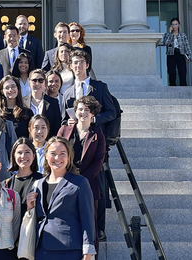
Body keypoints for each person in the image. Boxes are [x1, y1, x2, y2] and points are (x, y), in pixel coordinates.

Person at [62, 50, 115, 242]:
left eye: (81, 62)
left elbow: (112, 112)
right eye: (74, 63)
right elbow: (63, 119)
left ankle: (99, 228)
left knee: (97, 186)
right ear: (70, 66)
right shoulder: (66, 92)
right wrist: (67, 124)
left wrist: (94, 120)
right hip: (74, 144)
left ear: (87, 64)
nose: (78, 66)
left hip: (95, 141)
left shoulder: (99, 87)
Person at [26, 136, 96, 260]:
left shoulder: (79, 183)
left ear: (69, 157)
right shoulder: (38, 184)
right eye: (53, 153)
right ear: (46, 155)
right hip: (41, 249)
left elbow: (88, 218)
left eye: (62, 154)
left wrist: (88, 252)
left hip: (68, 250)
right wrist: (30, 208)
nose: (57, 158)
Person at [57, 96, 106, 257]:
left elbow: (99, 161)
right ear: (75, 112)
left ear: (93, 114)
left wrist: (82, 180)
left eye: (87, 110)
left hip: (88, 185)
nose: (83, 112)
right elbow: (56, 154)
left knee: (89, 224)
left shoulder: (97, 134)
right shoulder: (64, 130)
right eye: (80, 109)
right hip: (64, 182)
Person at [5, 137, 43, 219]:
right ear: (14, 156)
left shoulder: (42, 180)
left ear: (33, 156)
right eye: (19, 153)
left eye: (27, 152)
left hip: (33, 228)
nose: (23, 156)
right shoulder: (7, 183)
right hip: (12, 230)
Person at [23, 69, 61, 138]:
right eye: (34, 80)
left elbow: (56, 127)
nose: (37, 83)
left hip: (48, 144)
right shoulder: (22, 102)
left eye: (40, 81)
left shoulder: (53, 103)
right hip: (27, 144)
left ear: (45, 83)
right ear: (29, 82)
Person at [160, 18, 192, 86]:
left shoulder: (183, 35)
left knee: (182, 72)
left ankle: (183, 88)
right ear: (171, 26)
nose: (174, 26)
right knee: (172, 73)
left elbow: (186, 46)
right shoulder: (167, 35)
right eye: (173, 24)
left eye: (176, 24)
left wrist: (189, 56)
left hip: (180, 54)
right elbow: (166, 43)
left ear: (179, 25)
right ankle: (172, 88)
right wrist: (170, 33)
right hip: (171, 55)